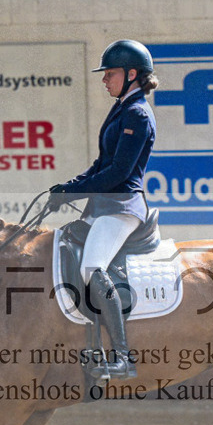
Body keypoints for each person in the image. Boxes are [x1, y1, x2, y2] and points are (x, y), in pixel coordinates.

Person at [47, 39, 159, 380]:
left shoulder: (138, 114)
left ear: (132, 74)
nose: (104, 79)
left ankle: (124, 357)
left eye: (109, 73)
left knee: (92, 268)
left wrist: (76, 192)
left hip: (122, 206)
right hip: (103, 204)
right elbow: (101, 164)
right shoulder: (121, 108)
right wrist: (69, 187)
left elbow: (119, 173)